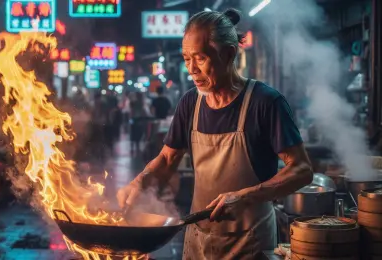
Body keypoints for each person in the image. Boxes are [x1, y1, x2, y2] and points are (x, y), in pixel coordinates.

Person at [117, 8, 313, 259]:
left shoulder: (265, 102)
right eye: (187, 58)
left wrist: (245, 196)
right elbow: (167, 160)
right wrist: (140, 181)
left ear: (229, 54)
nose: (191, 69)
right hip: (199, 241)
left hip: (250, 243)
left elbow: (302, 169)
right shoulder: (190, 103)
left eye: (200, 58)